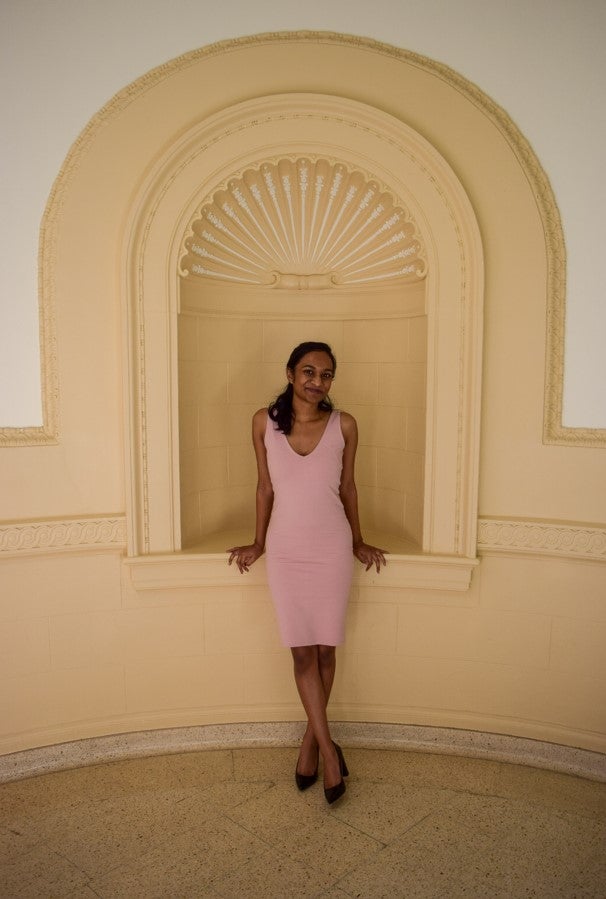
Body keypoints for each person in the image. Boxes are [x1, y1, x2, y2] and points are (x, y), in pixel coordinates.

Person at [228, 341, 386, 804]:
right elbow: (264, 487)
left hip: (332, 547)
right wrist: (258, 542)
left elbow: (348, 486)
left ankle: (311, 745)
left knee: (325, 649)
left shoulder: (345, 425)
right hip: (285, 549)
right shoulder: (263, 422)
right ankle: (329, 753)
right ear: (291, 373)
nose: (318, 381)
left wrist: (357, 539)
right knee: (302, 656)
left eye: (326, 374)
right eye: (309, 372)